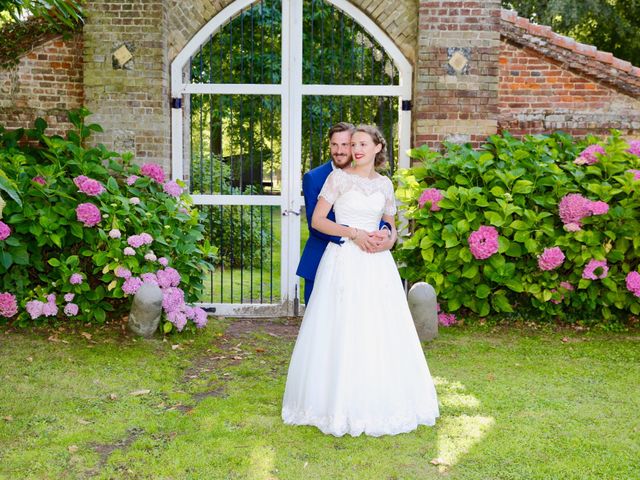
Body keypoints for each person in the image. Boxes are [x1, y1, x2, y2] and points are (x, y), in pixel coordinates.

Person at [282, 124, 439, 437]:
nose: (355, 150)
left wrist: (387, 239)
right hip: (343, 261)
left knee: (378, 327)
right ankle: (335, 400)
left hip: (377, 264)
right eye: (353, 144)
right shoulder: (337, 178)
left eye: (362, 144)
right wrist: (353, 234)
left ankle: (379, 397)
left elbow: (392, 226)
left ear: (378, 147)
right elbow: (317, 220)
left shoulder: (384, 185)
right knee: (342, 325)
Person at [297, 122, 392, 305]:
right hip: (324, 256)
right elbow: (315, 223)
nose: (339, 150)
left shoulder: (380, 181)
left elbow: (377, 216)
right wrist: (354, 236)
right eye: (334, 144)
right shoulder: (315, 177)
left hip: (368, 256)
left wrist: (382, 233)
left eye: (346, 145)